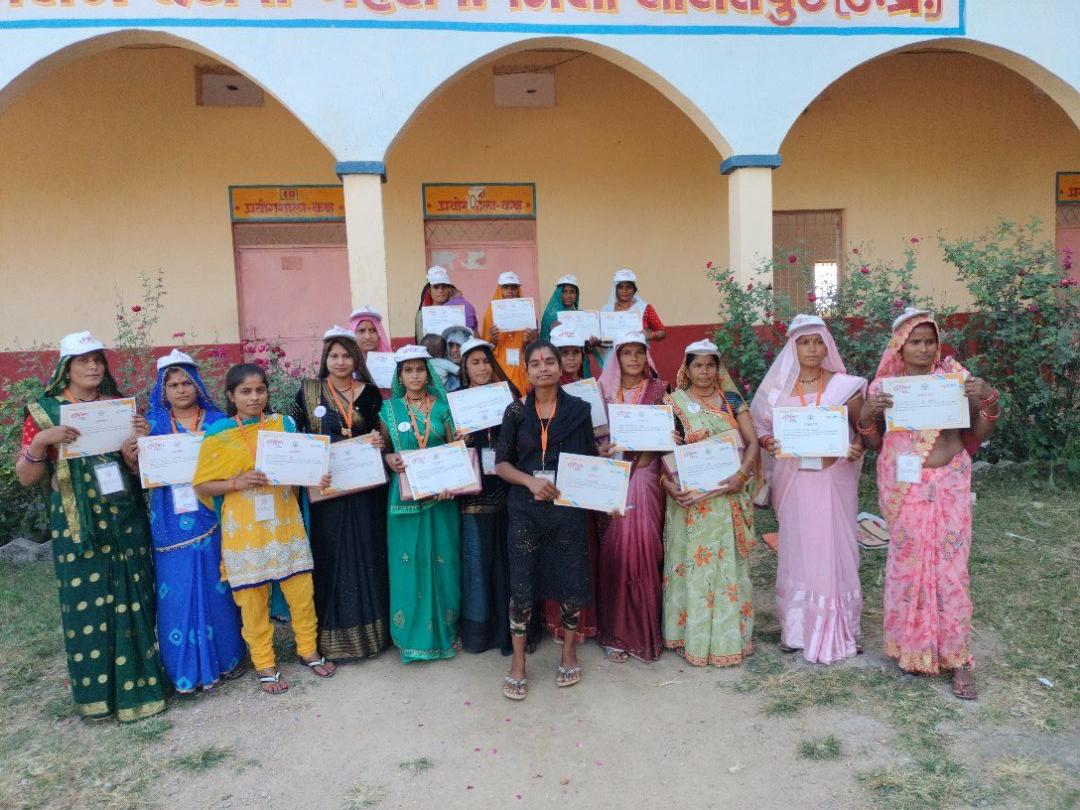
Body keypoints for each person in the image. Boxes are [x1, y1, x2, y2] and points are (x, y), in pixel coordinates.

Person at [15, 331, 167, 721]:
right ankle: (97, 697)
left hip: (125, 519)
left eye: (98, 360)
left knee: (136, 595)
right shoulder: (45, 413)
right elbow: (27, 478)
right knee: (88, 606)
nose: (93, 367)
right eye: (84, 361)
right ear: (66, 368)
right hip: (78, 526)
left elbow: (138, 471)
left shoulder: (119, 409)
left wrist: (135, 452)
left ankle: (143, 688)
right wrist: (42, 442)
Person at [858, 308, 999, 700]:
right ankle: (913, 649)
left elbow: (980, 430)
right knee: (908, 567)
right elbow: (873, 441)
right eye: (914, 342)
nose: (922, 349)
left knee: (951, 570)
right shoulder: (886, 387)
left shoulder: (954, 378)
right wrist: (868, 414)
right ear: (899, 348)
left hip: (950, 482)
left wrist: (987, 398)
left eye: (929, 341)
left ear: (938, 345)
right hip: (905, 488)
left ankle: (957, 658)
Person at [193, 363, 336, 694]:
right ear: (231, 396)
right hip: (245, 530)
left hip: (285, 523)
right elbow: (201, 484)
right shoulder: (219, 434)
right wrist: (236, 482)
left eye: (260, 390)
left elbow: (303, 466)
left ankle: (308, 649)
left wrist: (317, 476)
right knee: (252, 599)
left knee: (301, 591)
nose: (254, 397)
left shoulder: (282, 425)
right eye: (245, 391)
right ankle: (264, 663)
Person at [749, 315, 867, 664]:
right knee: (799, 547)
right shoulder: (777, 389)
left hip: (834, 479)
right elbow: (759, 426)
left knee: (835, 545)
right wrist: (768, 441)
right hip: (795, 480)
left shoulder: (844, 386)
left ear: (827, 345)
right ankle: (797, 629)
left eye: (818, 342)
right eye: (804, 342)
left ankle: (844, 626)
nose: (812, 349)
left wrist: (858, 444)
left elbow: (863, 428)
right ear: (793, 347)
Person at [495, 340, 597, 699]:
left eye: (549, 361)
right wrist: (530, 481)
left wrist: (607, 493)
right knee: (522, 586)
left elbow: (590, 459)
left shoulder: (579, 410)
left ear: (560, 366)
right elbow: (501, 464)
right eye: (535, 363)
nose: (543, 368)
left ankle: (568, 653)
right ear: (526, 370)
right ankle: (519, 663)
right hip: (525, 508)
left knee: (571, 581)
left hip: (566, 508)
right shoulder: (515, 412)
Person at [144, 349, 246, 693]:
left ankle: (228, 658)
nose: (181, 390)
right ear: (163, 390)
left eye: (187, 383)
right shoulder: (151, 425)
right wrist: (132, 452)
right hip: (170, 518)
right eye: (173, 385)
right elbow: (141, 472)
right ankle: (183, 669)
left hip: (212, 512)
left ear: (198, 384)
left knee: (219, 584)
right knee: (176, 590)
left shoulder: (219, 422)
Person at [289, 328, 390, 661]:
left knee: (369, 552)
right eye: (334, 356)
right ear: (325, 359)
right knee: (332, 555)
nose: (341, 361)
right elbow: (295, 434)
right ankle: (333, 638)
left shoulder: (371, 394)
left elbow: (383, 435)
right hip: (327, 491)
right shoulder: (308, 392)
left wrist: (380, 441)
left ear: (356, 359)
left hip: (366, 490)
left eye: (347, 355)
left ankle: (374, 637)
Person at [661, 340, 759, 667]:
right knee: (692, 567)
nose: (704, 371)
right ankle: (690, 636)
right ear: (686, 370)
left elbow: (752, 444)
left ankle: (728, 639)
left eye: (710, 364)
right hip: (691, 503)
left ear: (718, 368)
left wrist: (742, 476)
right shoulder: (674, 403)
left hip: (726, 497)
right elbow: (665, 454)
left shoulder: (732, 400)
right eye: (698, 365)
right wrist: (667, 483)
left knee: (725, 568)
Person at [456, 337, 541, 654]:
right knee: (478, 562)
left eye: (486, 361)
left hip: (508, 490)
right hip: (474, 491)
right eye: (475, 362)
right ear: (465, 367)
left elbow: (527, 438)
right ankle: (482, 635)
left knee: (512, 561)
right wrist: (459, 440)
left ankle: (516, 633)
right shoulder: (456, 402)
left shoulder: (510, 397)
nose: (482, 367)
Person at [377, 345, 462, 663]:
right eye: (408, 370)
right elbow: (382, 451)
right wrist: (388, 458)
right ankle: (410, 638)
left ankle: (446, 632)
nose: (415, 375)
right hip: (405, 501)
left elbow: (456, 449)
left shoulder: (444, 407)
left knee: (445, 563)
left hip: (442, 500)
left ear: (428, 373)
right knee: (408, 566)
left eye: (420, 369)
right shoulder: (389, 410)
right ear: (399, 376)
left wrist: (454, 477)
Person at [596, 332, 669, 663]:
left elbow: (665, 437)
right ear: (617, 358)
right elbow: (595, 436)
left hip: (645, 476)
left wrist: (636, 464)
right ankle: (617, 632)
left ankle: (643, 632)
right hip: (611, 477)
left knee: (645, 551)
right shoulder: (602, 393)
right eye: (627, 353)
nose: (634, 359)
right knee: (617, 553)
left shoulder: (660, 391)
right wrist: (602, 451)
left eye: (640, 352)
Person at [543, 328, 602, 644]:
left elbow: (599, 434)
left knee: (583, 548)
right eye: (563, 353)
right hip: (553, 480)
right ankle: (557, 621)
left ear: (583, 355)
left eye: (575, 352)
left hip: (583, 479)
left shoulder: (593, 389)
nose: (569, 358)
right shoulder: (541, 391)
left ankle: (582, 623)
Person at [481, 271, 539, 397]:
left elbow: (535, 344)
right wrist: (492, 339)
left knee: (525, 398)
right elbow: (485, 349)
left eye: (514, 287)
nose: (510, 291)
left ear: (518, 290)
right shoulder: (490, 313)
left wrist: (529, 340)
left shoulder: (527, 311)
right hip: (500, 368)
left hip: (522, 365)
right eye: (506, 287)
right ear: (500, 289)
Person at [540, 275, 604, 375]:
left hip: (581, 365)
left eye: (572, 292)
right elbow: (542, 346)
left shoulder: (582, 316)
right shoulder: (550, 316)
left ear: (577, 295)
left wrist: (591, 344)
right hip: (558, 366)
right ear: (558, 293)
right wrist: (552, 334)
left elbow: (586, 347)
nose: (568, 295)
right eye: (564, 292)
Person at [601, 268, 667, 345]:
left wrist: (651, 335)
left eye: (628, 287)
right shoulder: (606, 310)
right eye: (620, 287)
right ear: (615, 290)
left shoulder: (644, 308)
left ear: (634, 290)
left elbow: (662, 331)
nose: (624, 290)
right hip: (610, 351)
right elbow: (600, 334)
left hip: (638, 351)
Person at [415, 265, 478, 342]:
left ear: (449, 288)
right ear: (429, 290)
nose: (440, 290)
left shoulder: (459, 310)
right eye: (436, 287)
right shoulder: (421, 315)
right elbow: (421, 342)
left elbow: (474, 335)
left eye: (444, 286)